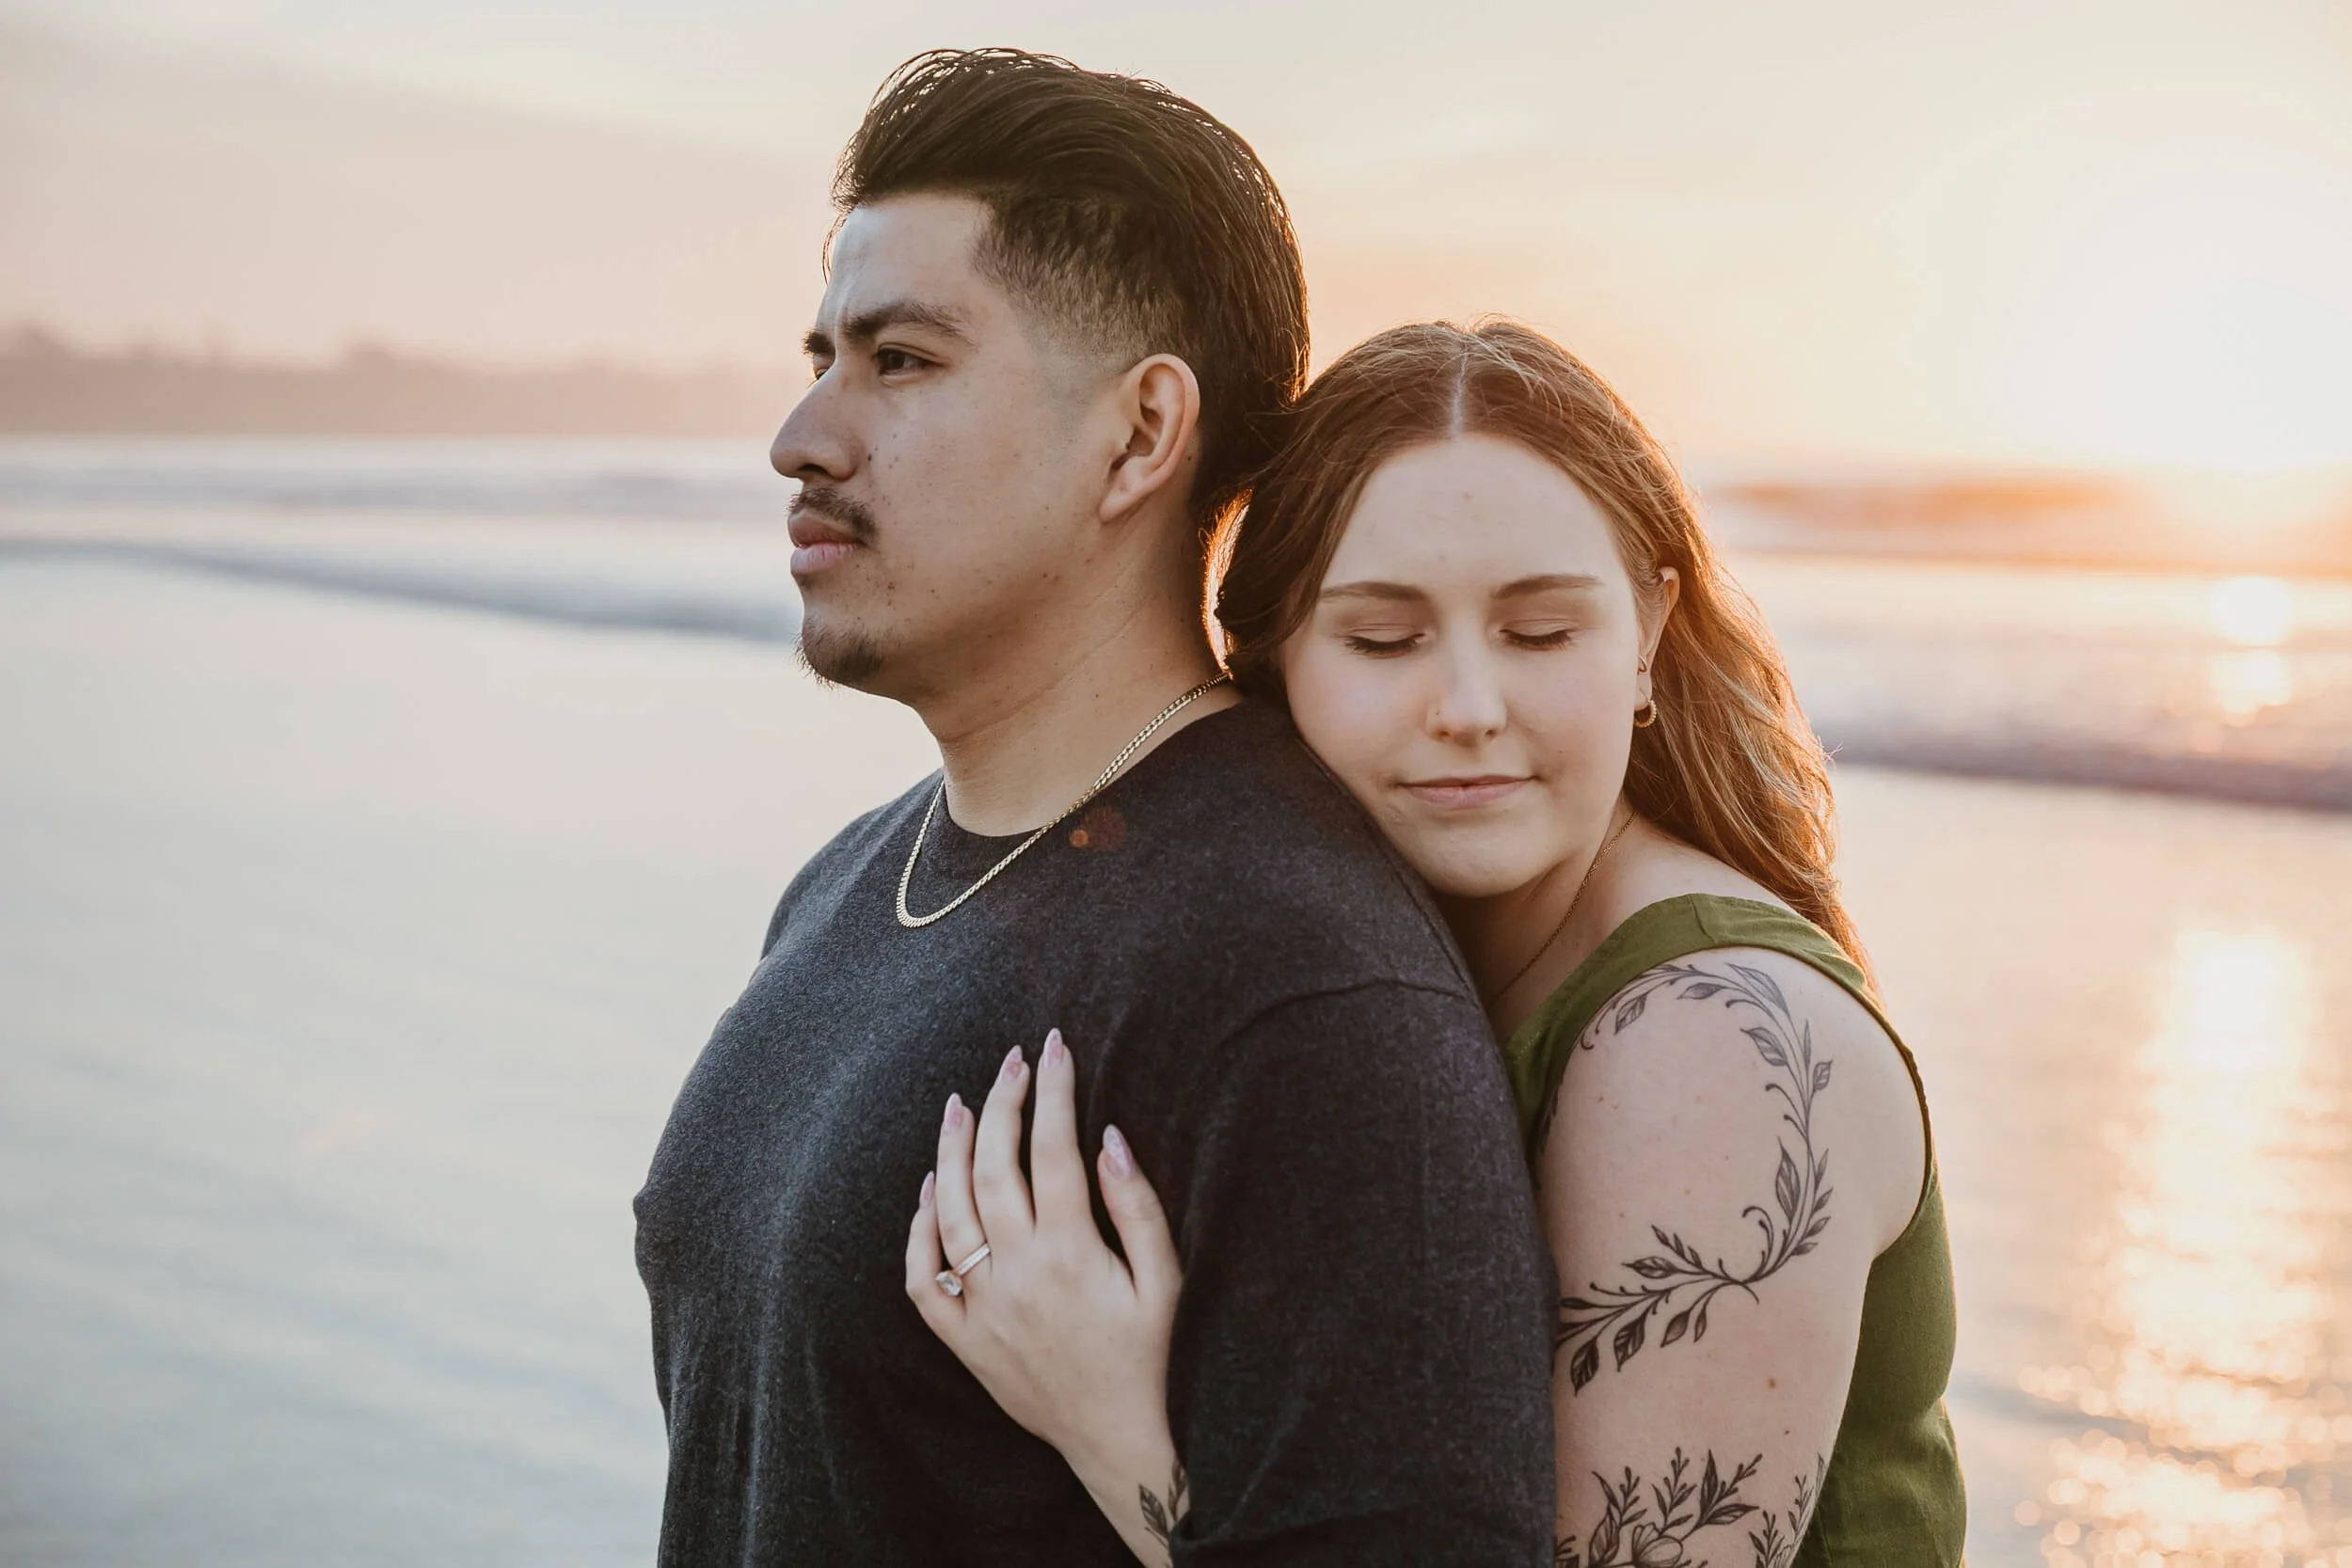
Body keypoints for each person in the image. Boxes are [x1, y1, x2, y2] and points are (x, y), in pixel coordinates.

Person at [631, 51, 1558, 1567]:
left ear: (1138, 435)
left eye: (902, 360)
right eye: (823, 355)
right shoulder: (845, 881)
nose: (803, 435)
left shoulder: (1293, 972)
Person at [909, 321, 1968, 1567]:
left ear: (1646, 638)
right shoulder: (1353, 973)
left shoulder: (1712, 1046)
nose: (1468, 708)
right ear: (1272, 662)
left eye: (1540, 632)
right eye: (1384, 638)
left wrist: (1115, 1426)